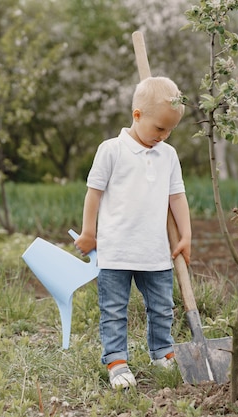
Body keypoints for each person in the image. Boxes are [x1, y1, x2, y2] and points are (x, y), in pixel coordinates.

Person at [74, 76, 191, 389]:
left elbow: (177, 197)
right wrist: (89, 232)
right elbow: (93, 193)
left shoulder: (168, 155)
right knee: (113, 310)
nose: (163, 136)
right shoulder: (112, 150)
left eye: (169, 130)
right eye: (159, 129)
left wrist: (186, 235)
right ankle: (116, 360)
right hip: (116, 251)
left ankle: (162, 353)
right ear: (137, 115)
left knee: (162, 307)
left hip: (155, 252)